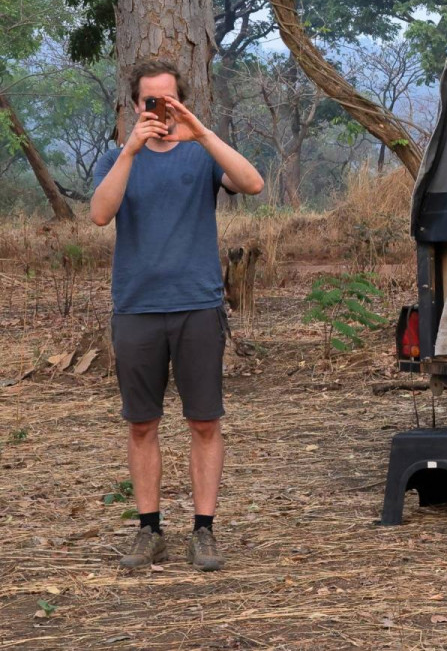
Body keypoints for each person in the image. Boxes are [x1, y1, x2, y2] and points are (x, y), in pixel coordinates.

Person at [90, 60, 265, 571]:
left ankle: (203, 531)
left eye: (169, 100)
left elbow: (252, 183)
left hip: (197, 305)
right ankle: (149, 529)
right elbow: (100, 214)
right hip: (137, 307)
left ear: (182, 102)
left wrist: (201, 133)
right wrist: (131, 149)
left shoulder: (201, 154)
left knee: (204, 421)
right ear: (134, 105)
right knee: (141, 424)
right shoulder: (116, 158)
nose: (161, 109)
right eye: (151, 101)